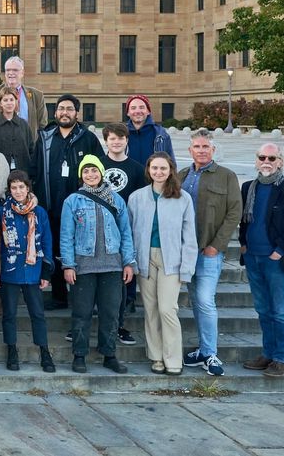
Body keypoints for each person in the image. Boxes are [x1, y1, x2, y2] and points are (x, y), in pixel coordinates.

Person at [60, 154, 136, 374]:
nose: (90, 174)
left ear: (101, 173)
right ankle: (79, 354)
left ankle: (109, 354)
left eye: (94, 170)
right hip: (83, 266)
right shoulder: (73, 201)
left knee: (110, 313)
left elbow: (126, 233)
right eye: (86, 171)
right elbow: (66, 236)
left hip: (112, 265)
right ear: (81, 175)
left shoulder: (116, 200)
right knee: (81, 312)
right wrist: (68, 265)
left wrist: (128, 262)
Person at [239, 142, 284, 378]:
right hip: (252, 257)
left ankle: (280, 358)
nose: (266, 162)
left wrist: (279, 250)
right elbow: (244, 220)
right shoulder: (248, 187)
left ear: (280, 162)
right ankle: (267, 353)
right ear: (256, 160)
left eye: (272, 158)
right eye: (262, 158)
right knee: (263, 309)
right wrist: (243, 243)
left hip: (275, 259)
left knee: (281, 310)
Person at [179, 129, 242, 377]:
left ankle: (210, 353)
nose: (201, 150)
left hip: (209, 251)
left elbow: (234, 212)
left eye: (205, 146)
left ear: (213, 150)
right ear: (190, 150)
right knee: (196, 301)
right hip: (185, 251)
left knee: (205, 301)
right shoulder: (182, 175)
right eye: (197, 146)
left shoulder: (227, 176)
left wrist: (217, 244)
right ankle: (203, 350)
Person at [128, 152, 197, 376]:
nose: (158, 172)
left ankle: (173, 358)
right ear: (148, 170)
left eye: (163, 168)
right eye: (155, 168)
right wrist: (130, 261)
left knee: (167, 309)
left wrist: (186, 268)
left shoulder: (183, 198)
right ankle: (156, 357)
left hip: (171, 259)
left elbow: (189, 236)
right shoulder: (137, 197)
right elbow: (129, 231)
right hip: (145, 258)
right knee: (151, 310)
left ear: (170, 171)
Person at [37, 94, 104, 308]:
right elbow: (36, 170)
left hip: (82, 209)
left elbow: (99, 171)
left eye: (69, 109)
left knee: (81, 252)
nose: (64, 113)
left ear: (77, 113)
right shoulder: (45, 138)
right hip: (51, 207)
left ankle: (82, 298)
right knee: (56, 251)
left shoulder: (88, 138)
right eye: (61, 109)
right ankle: (59, 296)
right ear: (55, 112)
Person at [0, 171, 55, 373]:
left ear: (28, 188)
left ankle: (44, 351)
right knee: (9, 313)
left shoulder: (39, 212)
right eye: (14, 187)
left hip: (33, 270)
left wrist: (46, 272)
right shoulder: (2, 212)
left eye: (21, 187)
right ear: (9, 190)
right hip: (9, 270)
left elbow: (47, 241)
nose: (18, 191)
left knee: (37, 313)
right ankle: (11, 350)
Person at [100, 121, 146, 344]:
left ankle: (122, 321)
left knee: (126, 274)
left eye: (120, 138)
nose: (116, 142)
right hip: (100, 230)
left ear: (127, 140)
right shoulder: (98, 165)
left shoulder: (137, 169)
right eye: (112, 138)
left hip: (127, 228)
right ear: (106, 141)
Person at [0, 56, 47, 130]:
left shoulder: (36, 95)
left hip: (28, 137)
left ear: (22, 73)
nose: (11, 73)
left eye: (15, 70)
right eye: (8, 70)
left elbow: (43, 123)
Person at [0, 86, 35, 174]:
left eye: (11, 100)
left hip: (22, 171)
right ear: (0, 103)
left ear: (16, 102)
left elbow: (31, 149)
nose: (9, 103)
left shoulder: (24, 124)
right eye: (5, 100)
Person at [124, 94, 175, 166]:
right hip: (128, 173)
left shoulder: (161, 134)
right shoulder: (121, 133)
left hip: (154, 173)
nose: (137, 111)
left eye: (141, 107)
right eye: (133, 108)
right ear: (128, 113)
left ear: (148, 111)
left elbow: (171, 162)